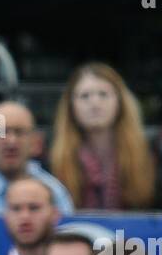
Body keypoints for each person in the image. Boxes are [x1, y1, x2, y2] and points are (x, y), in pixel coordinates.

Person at [49, 62, 156, 210]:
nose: (95, 103)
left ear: (120, 102)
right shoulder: (51, 160)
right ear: (70, 106)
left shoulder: (150, 157)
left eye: (103, 95)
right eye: (84, 96)